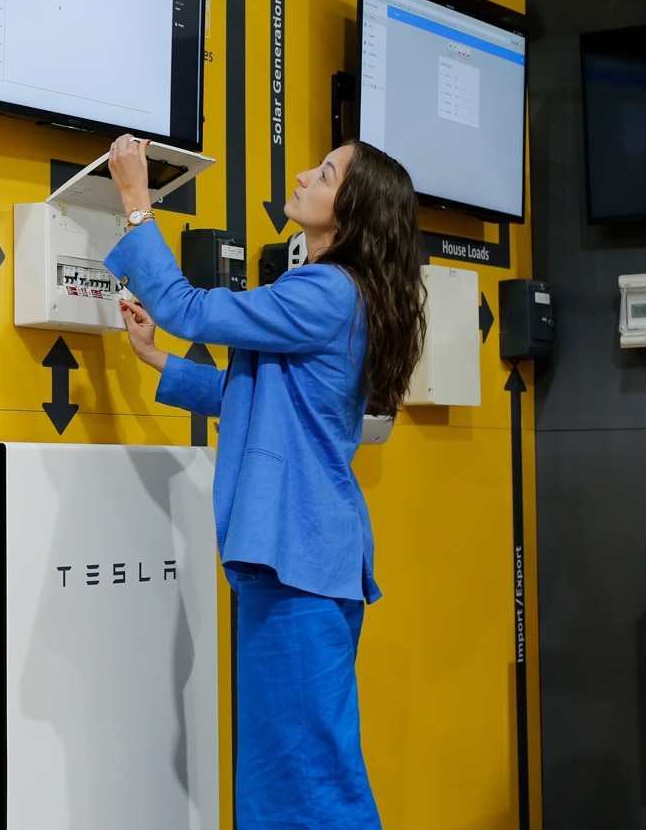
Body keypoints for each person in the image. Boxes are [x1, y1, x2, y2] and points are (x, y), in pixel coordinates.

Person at [103, 132, 426, 829]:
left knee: (308, 789)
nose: (307, 174)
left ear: (354, 210)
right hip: (302, 564)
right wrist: (159, 362)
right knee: (288, 783)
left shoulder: (327, 290)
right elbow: (263, 401)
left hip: (299, 563)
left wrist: (134, 200)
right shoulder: (340, 296)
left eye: (328, 172)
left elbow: (190, 306)